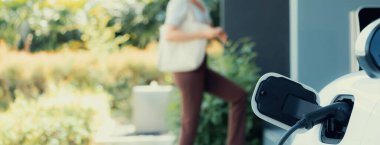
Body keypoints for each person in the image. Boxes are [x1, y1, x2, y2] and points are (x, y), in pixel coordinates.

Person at [164, 0, 247, 145]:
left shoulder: (200, 4)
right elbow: (169, 34)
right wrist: (205, 33)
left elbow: (204, 30)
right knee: (190, 122)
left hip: (200, 66)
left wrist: (215, 33)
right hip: (186, 70)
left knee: (238, 96)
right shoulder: (179, 3)